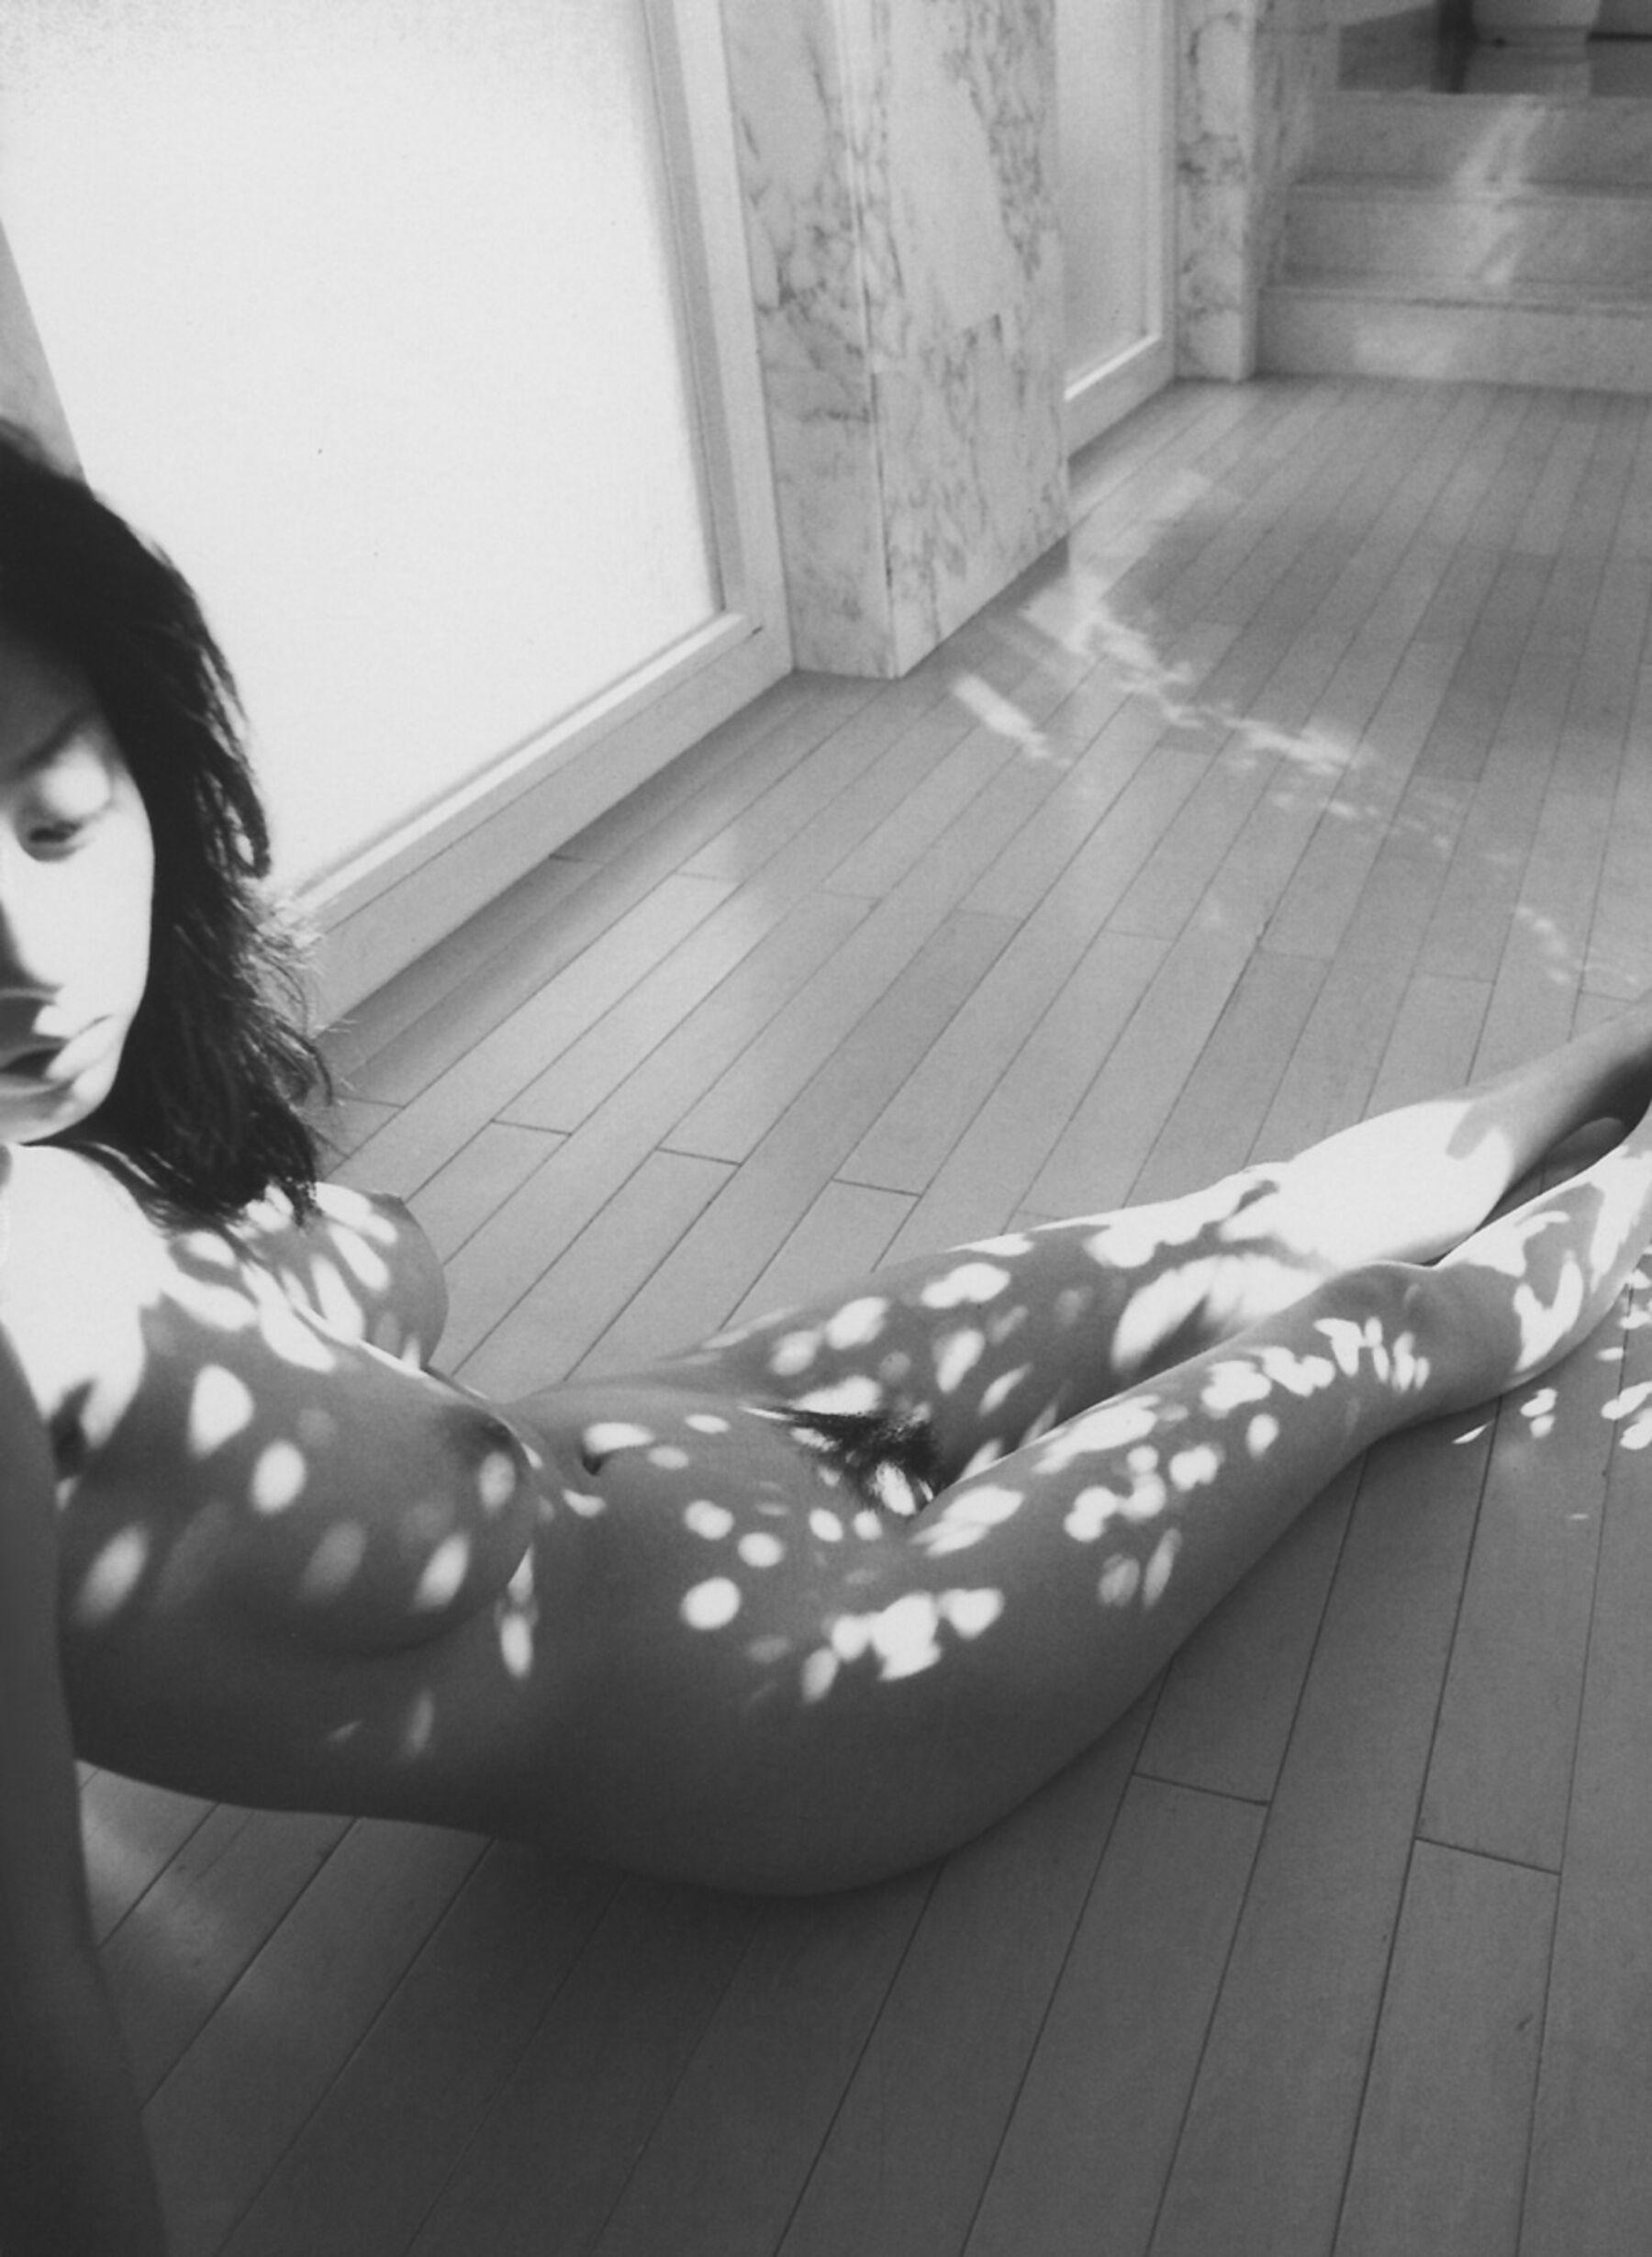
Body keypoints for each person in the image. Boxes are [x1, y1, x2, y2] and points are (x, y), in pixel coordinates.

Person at [3, 420, 1651, 2254]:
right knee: (1363, 1338)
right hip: (801, 1688)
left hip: (718, 1422)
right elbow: (26, 1982)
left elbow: (362, 1295)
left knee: (1235, 1222)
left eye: (54, 821)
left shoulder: (74, 1154)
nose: (26, 953)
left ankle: (1616, 1051)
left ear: (150, 779)